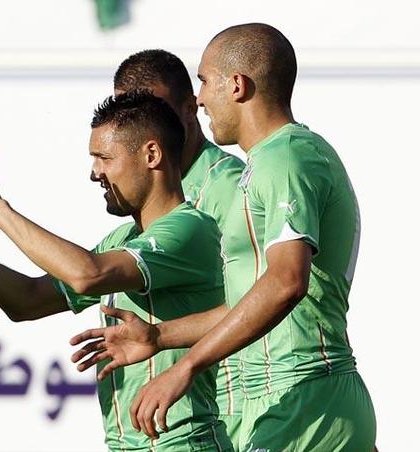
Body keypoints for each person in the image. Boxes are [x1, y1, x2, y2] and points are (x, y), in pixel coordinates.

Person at [71, 24, 377, 450]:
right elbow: (249, 301)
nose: (198, 99)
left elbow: (287, 282)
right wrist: (160, 337)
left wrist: (187, 366)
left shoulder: (287, 157)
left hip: (304, 393)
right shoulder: (267, 162)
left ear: (237, 85)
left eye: (204, 81)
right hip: (286, 400)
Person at [0, 91, 232, 450]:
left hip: (184, 443)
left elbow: (86, 275)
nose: (94, 173)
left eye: (104, 158)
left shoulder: (189, 229)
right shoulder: (122, 240)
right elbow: (26, 301)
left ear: (151, 155)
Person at [110, 48, 247, 443]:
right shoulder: (144, 197)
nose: (139, 123)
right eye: (126, 113)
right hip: (165, 419)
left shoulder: (229, 187)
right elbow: (45, 291)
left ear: (190, 108)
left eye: (154, 109)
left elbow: (270, 294)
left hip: (234, 411)